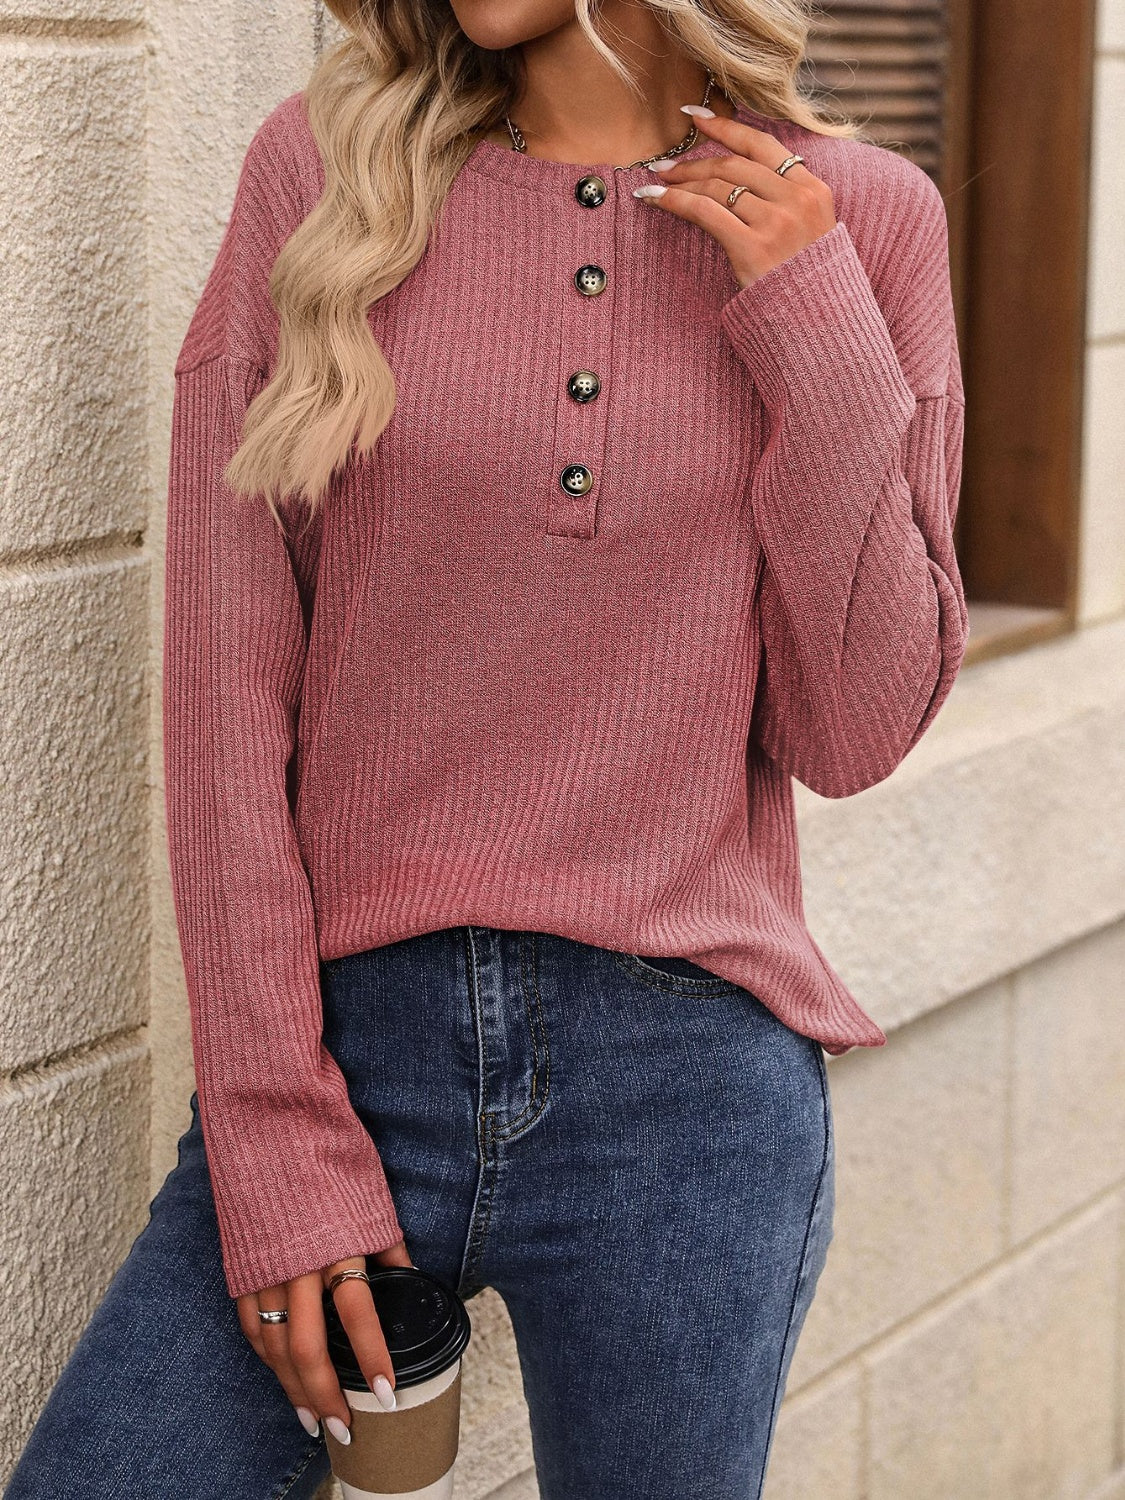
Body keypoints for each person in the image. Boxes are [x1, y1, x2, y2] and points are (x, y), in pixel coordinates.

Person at [5, 0, 967, 1496]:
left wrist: (811, 316)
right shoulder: (323, 176)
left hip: (687, 1094)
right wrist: (269, 1131)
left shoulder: (863, 218)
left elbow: (852, 730)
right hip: (346, 1057)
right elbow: (223, 716)